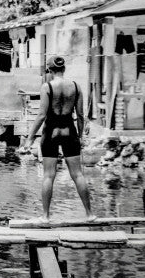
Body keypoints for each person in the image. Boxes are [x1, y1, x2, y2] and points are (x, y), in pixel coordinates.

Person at [21, 56, 95, 223]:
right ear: (64, 69)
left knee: (48, 176)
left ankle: (46, 216)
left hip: (51, 131)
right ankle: (90, 214)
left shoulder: (47, 87)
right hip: (70, 130)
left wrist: (30, 138)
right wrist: (81, 136)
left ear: (49, 70)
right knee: (77, 174)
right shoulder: (76, 86)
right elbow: (81, 115)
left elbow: (41, 115)